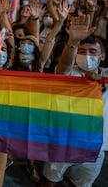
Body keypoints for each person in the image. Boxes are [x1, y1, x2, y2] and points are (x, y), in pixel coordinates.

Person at [42, 15, 107, 187]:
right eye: (82, 51)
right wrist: (72, 42)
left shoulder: (106, 78)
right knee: (49, 181)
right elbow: (64, 66)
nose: (87, 56)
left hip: (95, 146)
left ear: (102, 56)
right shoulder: (69, 75)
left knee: (81, 184)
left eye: (92, 52)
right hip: (64, 142)